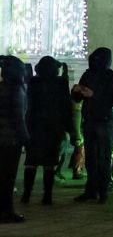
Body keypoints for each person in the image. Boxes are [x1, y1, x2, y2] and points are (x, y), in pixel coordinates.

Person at [22, 55, 74, 207]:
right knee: (49, 163)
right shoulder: (60, 83)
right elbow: (66, 107)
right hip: (53, 127)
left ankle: (26, 194)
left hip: (34, 126)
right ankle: (47, 195)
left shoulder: (33, 82)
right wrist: (70, 129)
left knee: (31, 161)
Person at [74, 46, 113, 204]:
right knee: (91, 158)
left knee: (103, 157)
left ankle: (102, 191)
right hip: (90, 120)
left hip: (104, 121)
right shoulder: (88, 74)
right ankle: (91, 190)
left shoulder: (111, 77)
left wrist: (94, 95)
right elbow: (78, 98)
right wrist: (77, 91)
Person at [0, 55, 30, 223]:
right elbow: (18, 117)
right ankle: (7, 210)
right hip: (10, 139)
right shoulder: (17, 90)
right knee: (8, 177)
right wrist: (26, 138)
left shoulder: (2, 87)